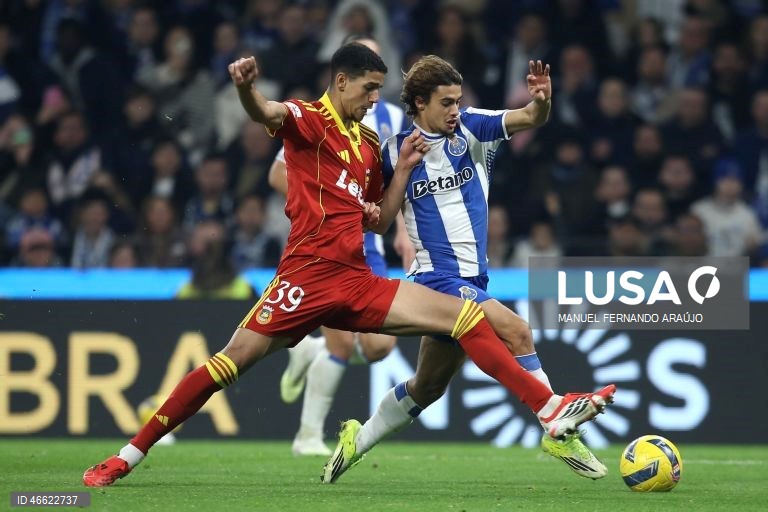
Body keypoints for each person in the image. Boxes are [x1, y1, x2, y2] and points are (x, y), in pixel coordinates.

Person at [82, 43, 615, 487]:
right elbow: (265, 113)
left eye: (380, 90)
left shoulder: (367, 147)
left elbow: (379, 221)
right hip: (301, 280)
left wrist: (400, 172)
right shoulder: (306, 121)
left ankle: (547, 412)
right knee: (226, 365)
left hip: (356, 280)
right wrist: (246, 87)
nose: (374, 100)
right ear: (341, 82)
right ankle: (127, 455)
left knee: (466, 321)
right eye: (368, 89)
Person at [322, 56, 609, 484]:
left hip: (474, 279)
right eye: (446, 102)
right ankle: (556, 424)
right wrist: (391, 182)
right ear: (419, 103)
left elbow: (531, 116)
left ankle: (355, 441)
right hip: (434, 280)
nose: (455, 109)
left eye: (458, 100)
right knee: (517, 331)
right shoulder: (391, 150)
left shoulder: (474, 127)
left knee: (427, 388)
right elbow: (380, 222)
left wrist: (542, 101)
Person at [269, 36, 415, 457]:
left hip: (369, 240)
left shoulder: (387, 118)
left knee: (378, 346)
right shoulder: (316, 119)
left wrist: (401, 230)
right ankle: (308, 436)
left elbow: (389, 186)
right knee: (340, 343)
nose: (372, 91)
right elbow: (278, 175)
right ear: (343, 75)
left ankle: (307, 349)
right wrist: (321, 199)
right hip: (324, 239)